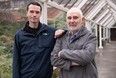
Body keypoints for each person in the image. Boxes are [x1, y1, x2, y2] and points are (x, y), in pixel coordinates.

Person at [12, 2, 64, 78]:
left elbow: (69, 34)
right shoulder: (19, 35)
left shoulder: (50, 32)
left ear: (40, 14)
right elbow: (16, 61)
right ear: (27, 13)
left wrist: (62, 31)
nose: (34, 15)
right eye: (31, 12)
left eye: (37, 12)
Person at [51, 7, 98, 78]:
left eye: (75, 17)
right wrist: (71, 63)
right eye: (69, 18)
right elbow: (54, 60)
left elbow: (87, 56)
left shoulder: (90, 37)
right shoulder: (61, 37)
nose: (72, 21)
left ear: (82, 20)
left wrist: (63, 53)